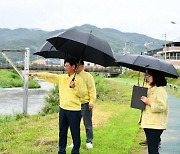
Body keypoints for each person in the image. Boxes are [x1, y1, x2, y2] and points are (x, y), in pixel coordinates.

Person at [29, 58, 86, 154]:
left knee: (75, 133)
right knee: (62, 132)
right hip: (63, 109)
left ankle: (75, 151)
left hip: (74, 111)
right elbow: (50, 76)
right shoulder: (62, 78)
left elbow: (83, 94)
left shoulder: (79, 79)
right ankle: (61, 151)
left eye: (67, 66)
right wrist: (36, 74)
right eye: (64, 66)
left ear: (73, 67)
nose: (65, 68)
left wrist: (74, 87)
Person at [68, 60, 96, 149]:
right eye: (75, 66)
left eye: (78, 66)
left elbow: (92, 90)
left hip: (85, 103)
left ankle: (89, 141)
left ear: (82, 66)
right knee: (74, 124)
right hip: (74, 103)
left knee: (87, 123)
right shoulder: (72, 76)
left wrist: (91, 101)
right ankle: (74, 141)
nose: (76, 68)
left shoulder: (88, 76)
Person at [140, 69, 168, 154]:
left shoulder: (160, 90)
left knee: (153, 150)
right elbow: (143, 99)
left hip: (155, 125)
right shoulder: (151, 88)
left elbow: (162, 106)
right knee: (152, 149)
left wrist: (149, 102)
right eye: (146, 76)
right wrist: (139, 89)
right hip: (149, 124)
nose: (147, 78)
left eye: (149, 76)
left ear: (156, 77)